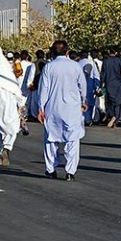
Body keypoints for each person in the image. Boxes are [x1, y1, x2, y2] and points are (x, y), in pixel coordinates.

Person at [38, 40, 87, 181]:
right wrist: (84, 101)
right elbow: (82, 86)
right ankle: (70, 171)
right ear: (67, 51)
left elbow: (43, 89)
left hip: (52, 108)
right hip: (72, 108)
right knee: (72, 139)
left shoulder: (49, 67)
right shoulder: (75, 66)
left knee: (51, 139)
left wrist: (41, 108)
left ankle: (51, 168)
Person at [100, 47, 121, 127]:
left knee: (110, 102)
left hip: (109, 83)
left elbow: (103, 75)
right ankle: (115, 119)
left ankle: (112, 117)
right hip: (119, 83)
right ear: (116, 53)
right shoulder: (119, 60)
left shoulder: (106, 61)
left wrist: (101, 85)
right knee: (118, 102)